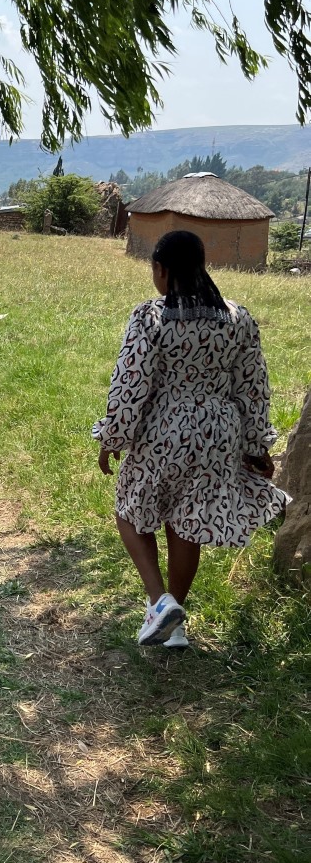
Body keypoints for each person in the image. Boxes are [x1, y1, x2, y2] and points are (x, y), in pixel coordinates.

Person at [93, 230, 289, 647]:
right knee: (189, 522)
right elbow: (253, 386)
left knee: (130, 510)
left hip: (164, 426)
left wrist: (112, 435)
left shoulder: (151, 317)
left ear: (161, 270)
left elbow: (131, 383)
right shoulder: (238, 317)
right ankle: (174, 624)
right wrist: (257, 445)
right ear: (201, 267)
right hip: (220, 431)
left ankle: (159, 602)